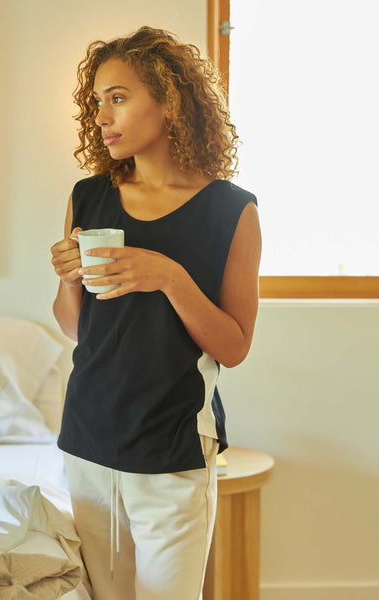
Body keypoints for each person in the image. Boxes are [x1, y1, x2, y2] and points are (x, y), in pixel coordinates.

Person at [50, 25, 261, 600]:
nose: (101, 115)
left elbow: (234, 346)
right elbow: (75, 327)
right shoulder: (86, 196)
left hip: (172, 447)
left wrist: (168, 277)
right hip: (88, 440)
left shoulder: (231, 211)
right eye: (97, 101)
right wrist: (69, 277)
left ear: (170, 102)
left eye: (118, 98)